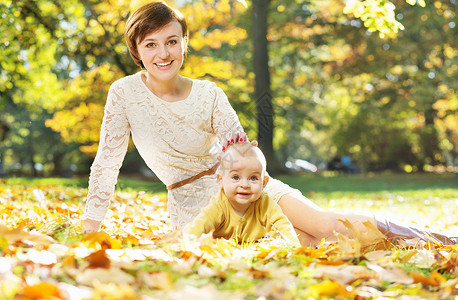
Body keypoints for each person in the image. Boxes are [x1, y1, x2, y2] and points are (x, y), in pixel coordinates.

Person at [82, 1, 456, 246]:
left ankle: (435, 241)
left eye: (171, 41)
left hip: (243, 183)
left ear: (184, 44)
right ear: (136, 50)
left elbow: (240, 153)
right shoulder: (124, 93)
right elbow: (107, 161)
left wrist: (248, 191)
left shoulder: (209, 93)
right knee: (310, 245)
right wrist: (90, 230)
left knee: (325, 227)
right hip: (194, 207)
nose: (163, 54)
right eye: (150, 44)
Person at [184, 143, 300, 246]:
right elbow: (202, 224)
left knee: (271, 241)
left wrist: (292, 244)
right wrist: (186, 241)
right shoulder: (219, 205)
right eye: (236, 177)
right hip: (223, 248)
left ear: (263, 183)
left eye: (253, 178)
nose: (244, 184)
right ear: (221, 180)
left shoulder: (264, 203)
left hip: (256, 243)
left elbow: (280, 223)